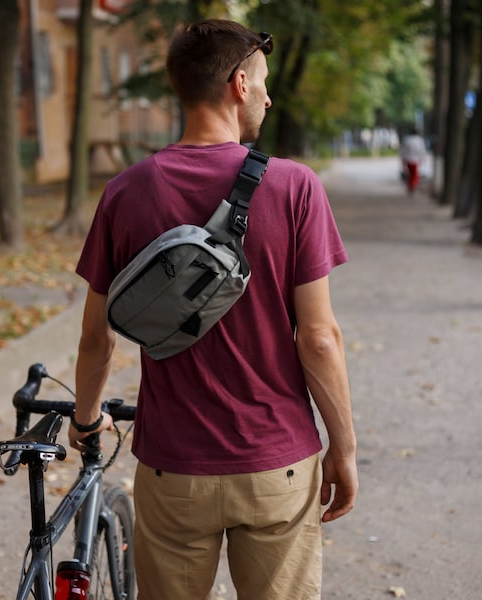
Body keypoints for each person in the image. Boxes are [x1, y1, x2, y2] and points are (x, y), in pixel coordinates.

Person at [69, 19, 358, 600]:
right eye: (264, 83)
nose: (270, 96)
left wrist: (86, 419)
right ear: (238, 83)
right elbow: (319, 338)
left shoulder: (126, 191)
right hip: (276, 464)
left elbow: (98, 338)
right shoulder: (296, 187)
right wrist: (344, 449)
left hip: (173, 468)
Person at [400, 128, 427, 194]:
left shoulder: (406, 139)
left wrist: (403, 159)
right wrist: (422, 159)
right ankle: (412, 185)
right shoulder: (419, 140)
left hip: (408, 159)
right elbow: (422, 151)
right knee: (414, 175)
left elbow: (403, 150)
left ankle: (410, 185)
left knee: (409, 174)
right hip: (415, 160)